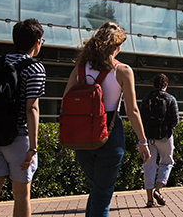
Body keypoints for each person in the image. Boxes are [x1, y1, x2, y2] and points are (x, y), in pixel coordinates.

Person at [64, 22, 150, 217]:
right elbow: (132, 111)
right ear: (115, 45)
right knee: (102, 196)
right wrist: (142, 141)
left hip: (82, 134)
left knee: (96, 190)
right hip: (109, 131)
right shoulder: (123, 70)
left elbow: (65, 100)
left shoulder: (80, 68)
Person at [0, 19, 47, 217]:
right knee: (21, 196)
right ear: (37, 42)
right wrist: (33, 147)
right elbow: (32, 108)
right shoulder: (35, 68)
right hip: (18, 138)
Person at [142, 73, 179, 208]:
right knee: (167, 162)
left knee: (148, 166)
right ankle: (159, 189)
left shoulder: (146, 99)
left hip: (149, 138)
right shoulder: (170, 99)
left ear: (153, 85)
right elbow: (175, 121)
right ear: (166, 85)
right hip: (165, 137)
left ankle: (149, 199)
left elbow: (141, 120)